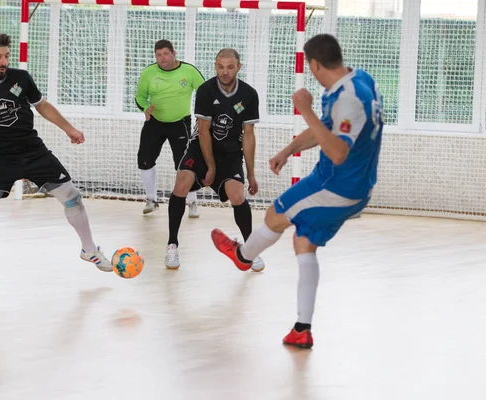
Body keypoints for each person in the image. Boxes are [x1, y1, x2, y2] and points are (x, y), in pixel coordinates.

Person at [211, 34, 384, 348]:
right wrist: (289, 149)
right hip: (358, 186)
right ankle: (302, 329)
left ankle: (242, 256)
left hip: (334, 185)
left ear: (315, 64)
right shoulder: (361, 80)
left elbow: (337, 151)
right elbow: (328, 132)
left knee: (275, 215)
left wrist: (305, 110)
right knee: (303, 242)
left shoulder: (346, 99)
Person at [0, 33, 113, 289]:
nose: (3, 61)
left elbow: (42, 105)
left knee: (71, 196)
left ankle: (89, 249)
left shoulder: (21, 78)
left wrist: (69, 129)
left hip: (33, 151)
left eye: (6, 56)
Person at [165, 48, 264, 272]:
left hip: (230, 153)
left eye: (230, 67)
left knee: (238, 195)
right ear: (215, 66)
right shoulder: (206, 90)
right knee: (182, 183)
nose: (225, 71)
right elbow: (203, 131)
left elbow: (248, 136)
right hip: (200, 149)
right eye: (220, 66)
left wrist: (251, 174)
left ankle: (250, 249)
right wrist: (210, 167)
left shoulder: (249, 94)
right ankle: (172, 244)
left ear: (239, 67)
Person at [135, 39, 204, 216]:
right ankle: (151, 199)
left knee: (185, 163)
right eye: (158, 55)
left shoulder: (188, 71)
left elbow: (205, 92)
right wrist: (145, 108)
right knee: (144, 159)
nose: (162, 58)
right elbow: (140, 97)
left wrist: (203, 117)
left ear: (174, 53)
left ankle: (192, 202)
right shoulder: (148, 73)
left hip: (180, 123)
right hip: (155, 122)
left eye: (165, 54)